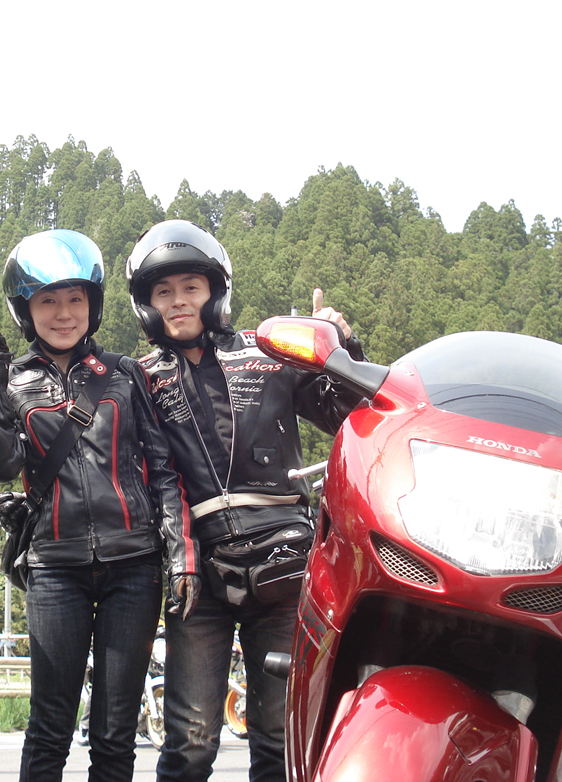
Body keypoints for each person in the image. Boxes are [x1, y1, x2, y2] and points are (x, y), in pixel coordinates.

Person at [125, 219, 367, 782]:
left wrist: (341, 349)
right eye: (163, 292)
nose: (178, 301)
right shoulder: (140, 378)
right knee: (189, 742)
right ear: (145, 305)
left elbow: (345, 415)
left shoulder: (268, 351)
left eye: (191, 287)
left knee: (280, 736)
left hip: (284, 560)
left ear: (216, 291)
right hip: (196, 574)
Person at [0, 229, 188, 782]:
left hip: (134, 566)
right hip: (54, 568)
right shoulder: (11, 380)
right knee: (49, 727)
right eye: (48, 300)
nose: (64, 313)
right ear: (25, 310)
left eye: (75, 298)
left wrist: (178, 553)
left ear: (93, 304)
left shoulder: (125, 374)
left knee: (115, 733)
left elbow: (162, 467)